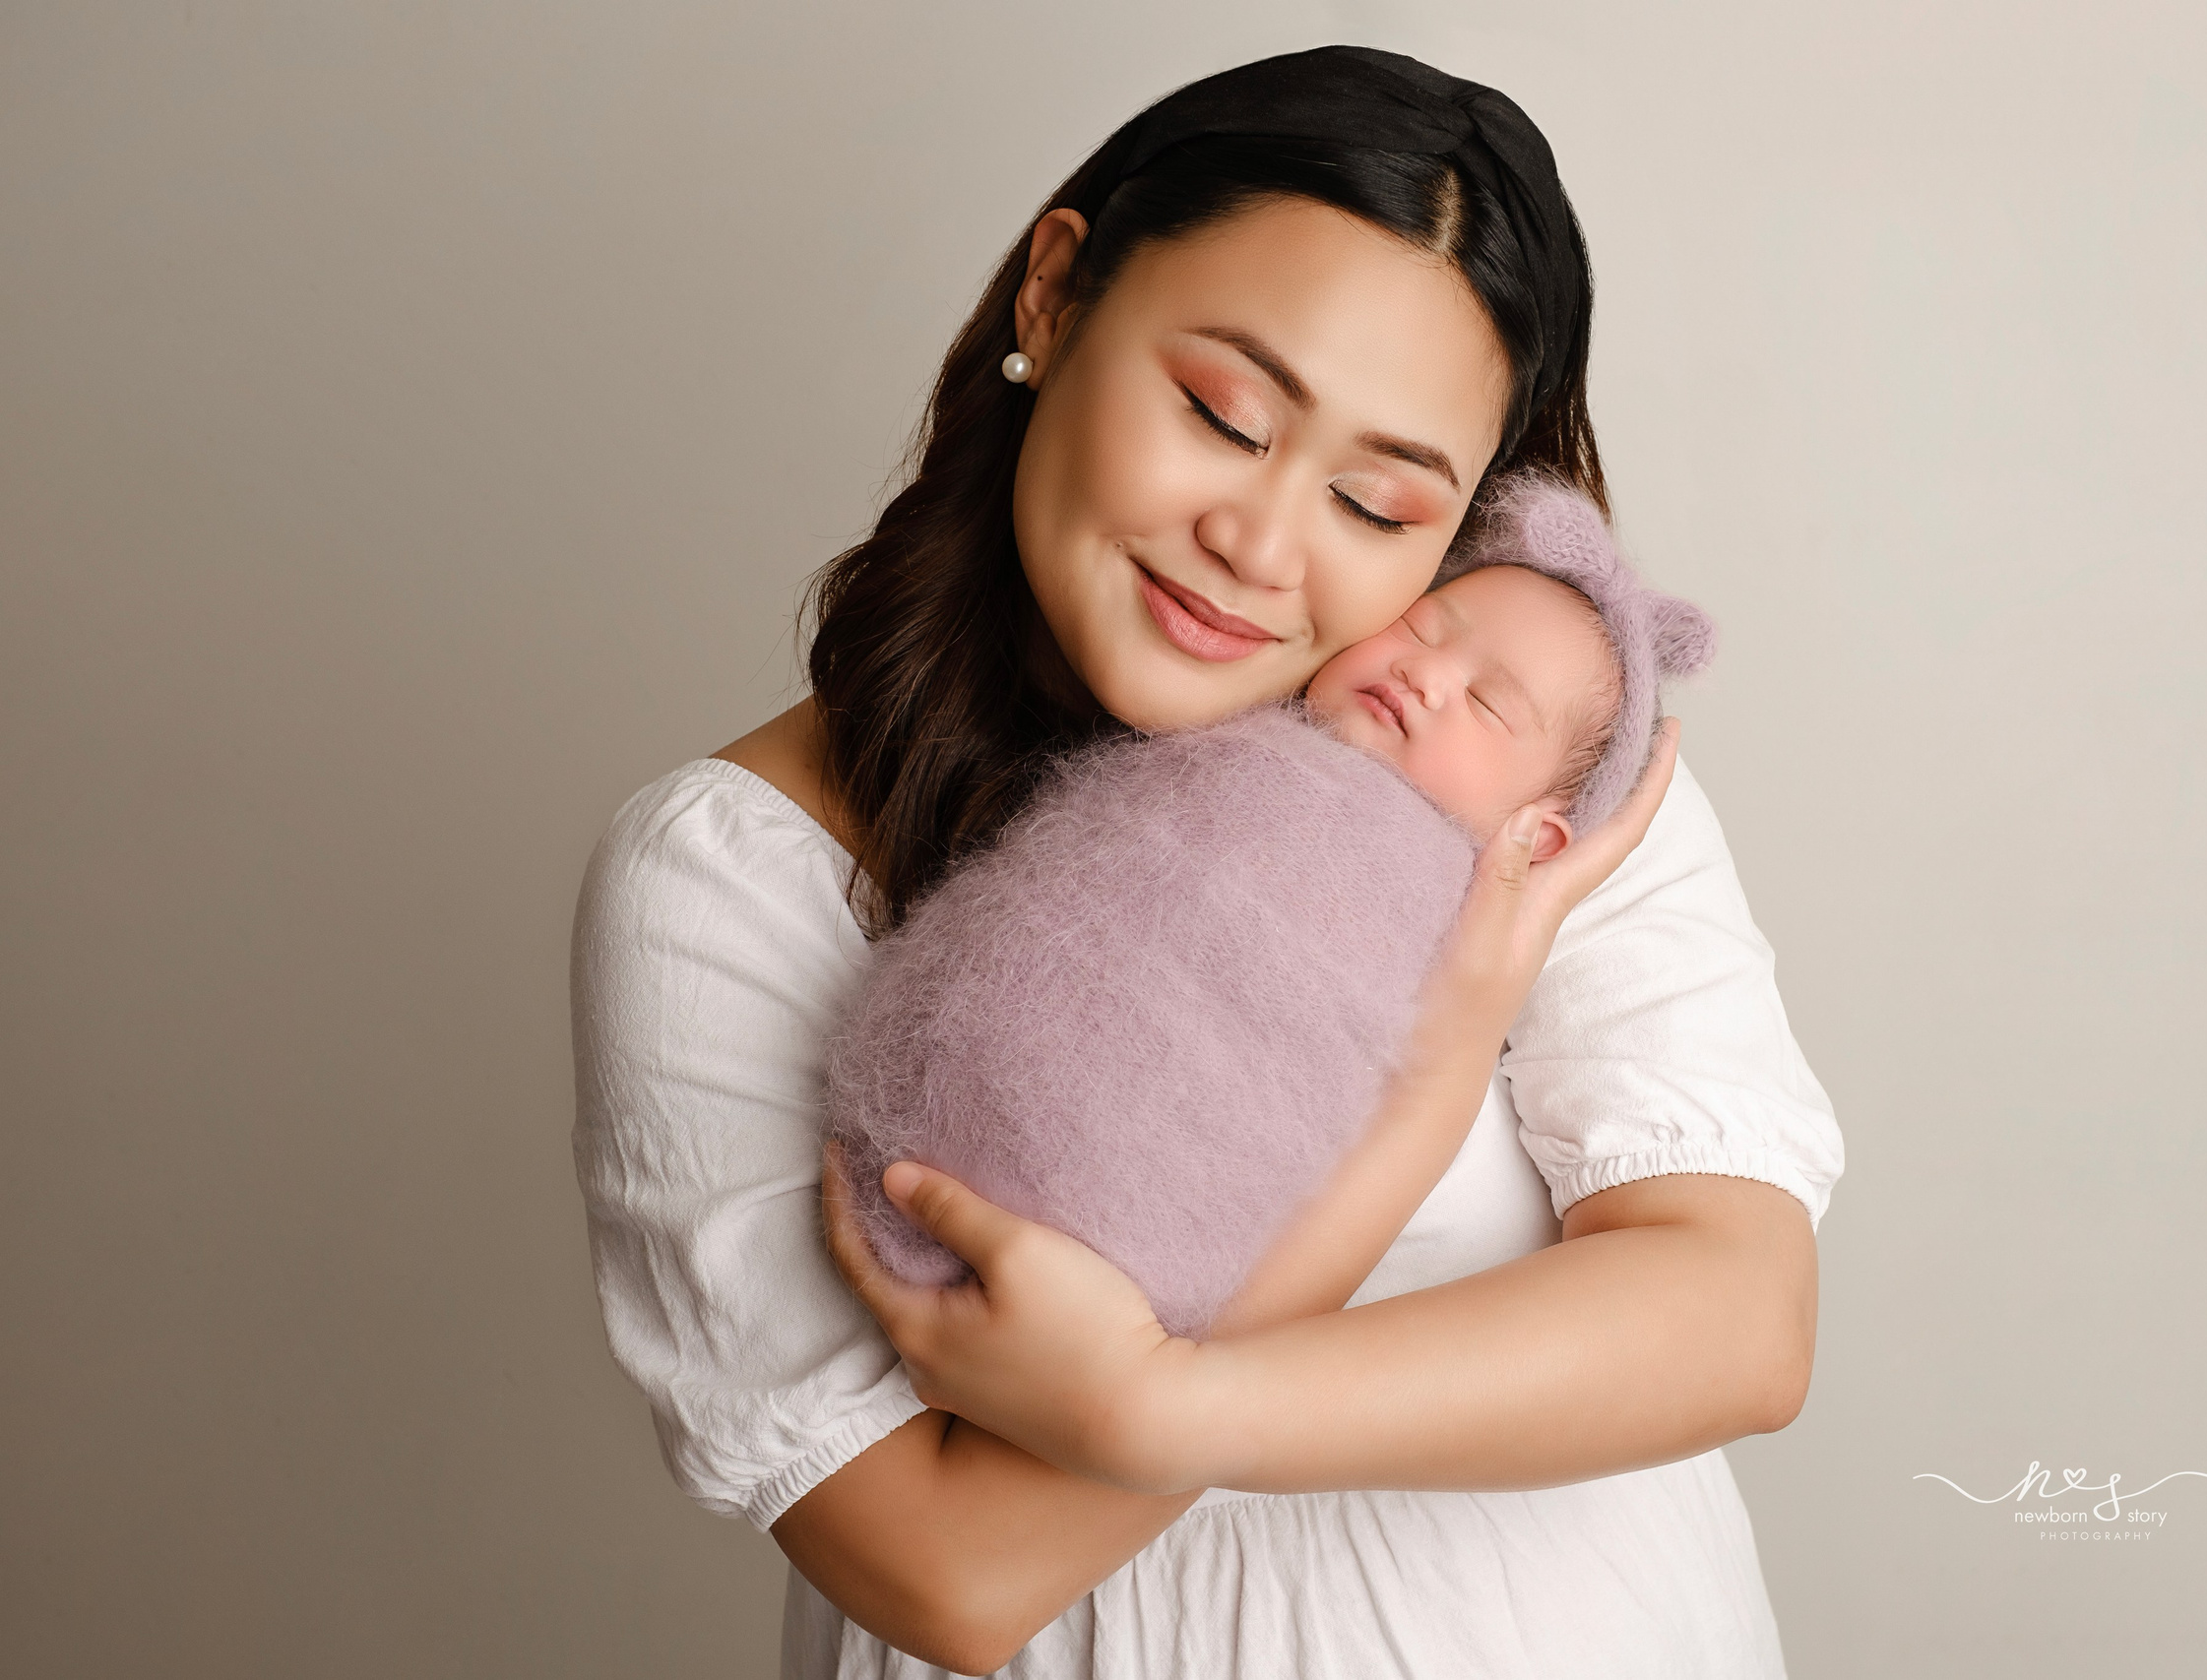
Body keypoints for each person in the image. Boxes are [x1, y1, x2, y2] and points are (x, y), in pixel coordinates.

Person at [572, 44, 1843, 1678]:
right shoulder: (735, 871)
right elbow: (953, 1568)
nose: (1260, 546)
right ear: (1055, 295)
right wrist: (1430, 1080)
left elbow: (1735, 1319)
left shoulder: (1522, 764)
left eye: (1381, 507)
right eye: (1221, 414)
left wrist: (1161, 1398)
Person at [832, 474, 1716, 1348]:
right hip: (932, 1097)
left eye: (1486, 702)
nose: (1424, 673)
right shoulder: (1227, 707)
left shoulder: (1467, 913)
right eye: (1418, 627)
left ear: (1544, 836)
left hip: (1111, 1249)